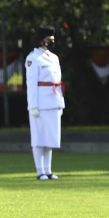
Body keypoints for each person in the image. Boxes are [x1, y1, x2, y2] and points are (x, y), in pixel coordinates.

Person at [25, 27, 65, 181]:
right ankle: (40, 170)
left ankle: (48, 170)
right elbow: (31, 83)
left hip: (53, 100)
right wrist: (33, 105)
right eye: (49, 38)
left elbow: (58, 81)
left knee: (50, 138)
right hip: (40, 102)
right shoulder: (33, 58)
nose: (52, 41)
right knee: (39, 137)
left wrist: (60, 102)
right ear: (41, 40)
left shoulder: (54, 58)